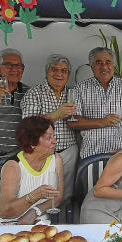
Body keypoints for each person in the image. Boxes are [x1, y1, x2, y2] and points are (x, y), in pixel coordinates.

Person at [68, 47, 122, 158]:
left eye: (108, 62)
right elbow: (73, 122)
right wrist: (101, 122)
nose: (104, 67)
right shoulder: (80, 89)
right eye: (99, 63)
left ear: (113, 65)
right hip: (90, 155)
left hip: (121, 155)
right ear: (92, 66)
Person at [0, 116, 63, 225]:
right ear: (32, 142)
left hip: (35, 221)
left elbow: (57, 197)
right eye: (49, 138)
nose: (55, 141)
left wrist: (34, 212)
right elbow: (4, 212)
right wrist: (34, 196)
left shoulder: (56, 160)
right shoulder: (13, 167)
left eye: (54, 136)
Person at [21, 54, 78, 203]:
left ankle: (64, 222)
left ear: (68, 75)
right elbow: (28, 125)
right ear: (47, 72)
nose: (59, 74)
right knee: (42, 193)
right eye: (54, 69)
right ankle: (43, 222)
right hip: (41, 153)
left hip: (68, 151)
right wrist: (56, 115)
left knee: (65, 194)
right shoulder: (34, 93)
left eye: (64, 71)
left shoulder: (73, 93)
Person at [0, 48, 29, 161]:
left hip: (16, 155)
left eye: (18, 66)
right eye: (9, 65)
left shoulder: (29, 92)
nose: (14, 69)